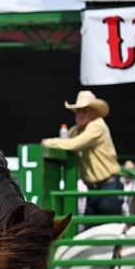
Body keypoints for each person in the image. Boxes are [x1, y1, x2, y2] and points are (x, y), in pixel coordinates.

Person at [42, 90, 123, 218]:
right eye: (78, 111)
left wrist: (49, 142)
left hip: (109, 188)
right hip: (94, 189)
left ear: (94, 113)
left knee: (110, 231)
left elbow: (73, 144)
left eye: (84, 111)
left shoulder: (98, 126)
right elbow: (67, 143)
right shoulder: (77, 130)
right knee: (91, 232)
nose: (80, 115)